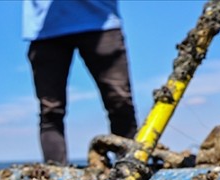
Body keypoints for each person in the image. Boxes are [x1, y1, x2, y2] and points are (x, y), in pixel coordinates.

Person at [23, 0, 137, 165]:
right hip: (45, 30)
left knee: (120, 102)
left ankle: (131, 168)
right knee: (50, 111)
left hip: (100, 21)